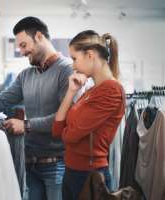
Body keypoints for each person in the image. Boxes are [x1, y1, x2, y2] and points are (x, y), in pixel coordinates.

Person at [0, 16, 73, 200]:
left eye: (23, 45)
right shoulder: (26, 75)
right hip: (30, 163)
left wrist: (26, 125)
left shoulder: (67, 70)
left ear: (38, 36)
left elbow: (67, 117)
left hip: (57, 165)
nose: (21, 51)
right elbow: (1, 101)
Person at [52, 30, 126, 200]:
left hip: (89, 175)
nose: (73, 65)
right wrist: (71, 92)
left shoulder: (111, 91)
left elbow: (70, 136)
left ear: (90, 55)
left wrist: (68, 130)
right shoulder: (92, 91)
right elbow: (57, 130)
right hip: (73, 172)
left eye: (74, 58)